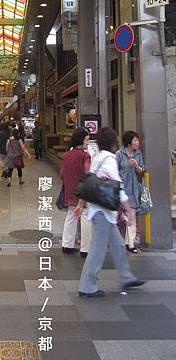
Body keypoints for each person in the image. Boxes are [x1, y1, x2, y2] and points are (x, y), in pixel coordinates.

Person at [76, 127, 145, 298]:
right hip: (102, 212)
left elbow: (90, 182)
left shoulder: (98, 158)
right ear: (113, 142)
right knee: (97, 250)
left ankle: (126, 277)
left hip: (101, 210)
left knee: (119, 245)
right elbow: (117, 186)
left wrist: (81, 204)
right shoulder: (109, 159)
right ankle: (87, 287)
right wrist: (128, 210)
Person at [60, 127, 91, 257]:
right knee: (85, 216)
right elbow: (87, 174)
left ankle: (67, 245)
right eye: (87, 140)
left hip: (70, 190)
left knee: (71, 216)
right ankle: (85, 248)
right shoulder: (85, 155)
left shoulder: (66, 155)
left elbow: (61, 174)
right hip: (82, 192)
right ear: (81, 140)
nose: (88, 143)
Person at [116, 131, 145, 254]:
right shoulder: (119, 154)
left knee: (132, 215)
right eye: (135, 140)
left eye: (138, 140)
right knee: (121, 216)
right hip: (122, 188)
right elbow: (115, 171)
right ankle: (119, 241)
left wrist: (137, 166)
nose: (137, 143)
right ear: (129, 142)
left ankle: (131, 243)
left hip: (133, 189)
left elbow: (142, 171)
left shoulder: (138, 154)